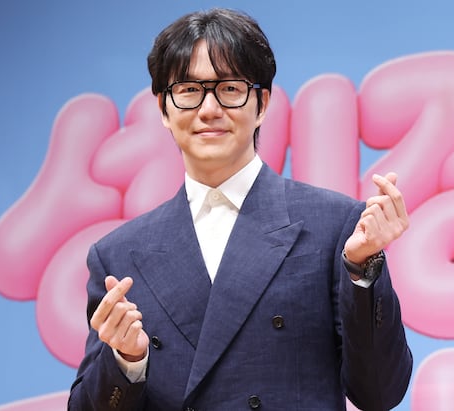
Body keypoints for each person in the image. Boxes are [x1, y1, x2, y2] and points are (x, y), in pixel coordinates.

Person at [68, 7, 412, 411]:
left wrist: (363, 271)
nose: (209, 109)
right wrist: (127, 361)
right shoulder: (117, 255)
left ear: (261, 103)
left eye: (229, 88)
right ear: (163, 108)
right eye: (189, 90)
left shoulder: (335, 227)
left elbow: (379, 393)